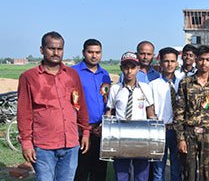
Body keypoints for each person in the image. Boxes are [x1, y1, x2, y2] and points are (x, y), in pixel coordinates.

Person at [17, 31, 90, 180]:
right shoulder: (29, 77)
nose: (56, 53)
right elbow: (24, 113)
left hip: (70, 143)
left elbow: (80, 104)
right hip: (44, 145)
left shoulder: (72, 75)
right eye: (51, 48)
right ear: (42, 50)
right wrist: (26, 143)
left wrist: (85, 132)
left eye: (60, 49)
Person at [174, 45, 209, 181]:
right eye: (201, 59)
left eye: (208, 59)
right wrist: (181, 139)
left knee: (207, 175)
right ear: (196, 60)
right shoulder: (186, 83)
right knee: (188, 174)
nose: (204, 63)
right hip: (190, 134)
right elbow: (179, 113)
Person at [105, 51, 156, 181]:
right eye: (126, 67)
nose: (129, 71)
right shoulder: (115, 89)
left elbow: (150, 114)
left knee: (141, 175)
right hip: (120, 137)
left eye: (132, 67)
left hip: (141, 137)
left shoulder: (145, 88)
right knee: (121, 175)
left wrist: (155, 134)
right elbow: (109, 112)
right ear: (121, 68)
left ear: (138, 68)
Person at [72, 39, 111, 181]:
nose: (94, 56)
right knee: (81, 169)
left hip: (101, 129)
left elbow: (107, 100)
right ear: (83, 52)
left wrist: (103, 124)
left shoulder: (104, 74)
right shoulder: (74, 72)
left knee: (100, 170)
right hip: (81, 129)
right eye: (90, 52)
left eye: (97, 52)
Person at [149, 47, 182, 181]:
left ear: (177, 62)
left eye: (172, 61)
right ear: (161, 63)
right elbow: (150, 108)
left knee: (177, 168)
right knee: (158, 169)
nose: (169, 64)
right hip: (160, 129)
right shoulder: (153, 85)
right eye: (166, 61)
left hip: (178, 130)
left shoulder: (183, 83)